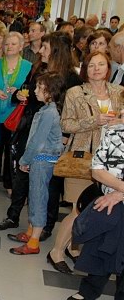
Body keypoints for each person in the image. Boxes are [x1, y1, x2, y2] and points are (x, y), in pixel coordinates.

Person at [46, 51, 124, 270]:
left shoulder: (119, 92)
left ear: (108, 68)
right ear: (85, 69)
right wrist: (93, 121)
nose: (96, 69)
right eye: (91, 65)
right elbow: (66, 124)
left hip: (112, 163)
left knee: (95, 208)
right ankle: (56, 252)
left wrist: (118, 122)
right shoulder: (75, 92)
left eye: (101, 64)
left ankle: (73, 248)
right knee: (78, 209)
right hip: (83, 158)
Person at [65, 107, 124, 300]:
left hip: (114, 197)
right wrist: (120, 190)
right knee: (101, 242)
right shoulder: (113, 133)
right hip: (109, 199)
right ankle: (89, 290)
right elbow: (97, 171)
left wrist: (119, 194)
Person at [9, 72, 65, 255]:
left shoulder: (49, 113)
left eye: (40, 87)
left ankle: (33, 242)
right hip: (41, 158)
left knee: (38, 197)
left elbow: (38, 141)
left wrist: (25, 160)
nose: (35, 90)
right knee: (34, 195)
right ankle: (30, 232)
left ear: (50, 91)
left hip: (43, 159)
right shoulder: (46, 109)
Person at [0, 32, 32, 196]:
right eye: (7, 44)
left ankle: (10, 184)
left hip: (16, 115)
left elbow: (33, 90)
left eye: (13, 44)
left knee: (12, 152)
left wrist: (19, 92)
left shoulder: (29, 67)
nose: (9, 47)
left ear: (21, 47)